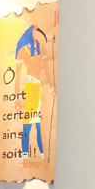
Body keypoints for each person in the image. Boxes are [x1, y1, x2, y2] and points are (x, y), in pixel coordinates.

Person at [14, 25, 56, 159]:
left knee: (39, 125)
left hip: (38, 87)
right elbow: (18, 76)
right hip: (30, 87)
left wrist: (51, 89)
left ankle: (42, 157)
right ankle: (26, 158)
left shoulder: (41, 47)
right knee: (28, 125)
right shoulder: (22, 51)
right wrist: (17, 98)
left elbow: (46, 70)